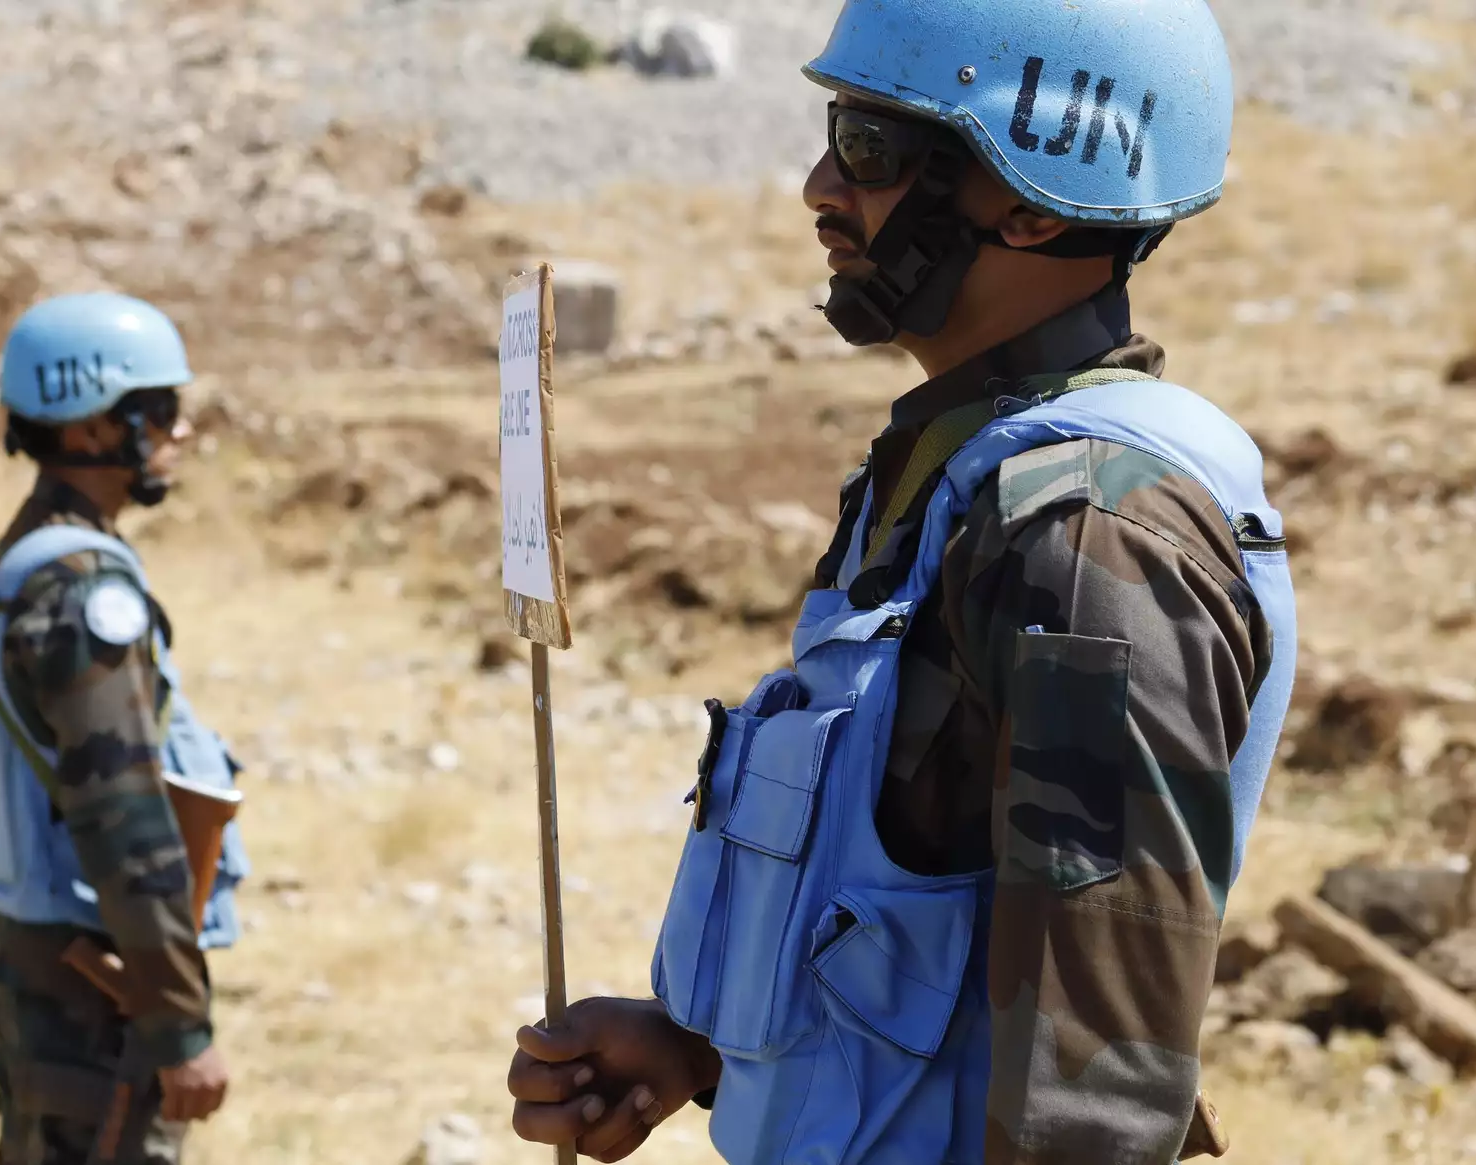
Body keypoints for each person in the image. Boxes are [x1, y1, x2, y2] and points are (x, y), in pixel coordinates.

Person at [503, 1, 1299, 1162]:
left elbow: (1089, 1092)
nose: (819, 188)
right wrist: (705, 1052)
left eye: (868, 148)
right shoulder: (961, 472)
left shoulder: (1089, 536)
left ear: (1031, 203)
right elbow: (929, 910)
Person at [0, 291, 247, 1165]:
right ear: (89, 424)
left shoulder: (37, 557)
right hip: (92, 976)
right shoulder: (86, 594)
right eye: (158, 409)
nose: (180, 430)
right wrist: (178, 1022)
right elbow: (122, 819)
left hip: (59, 958)